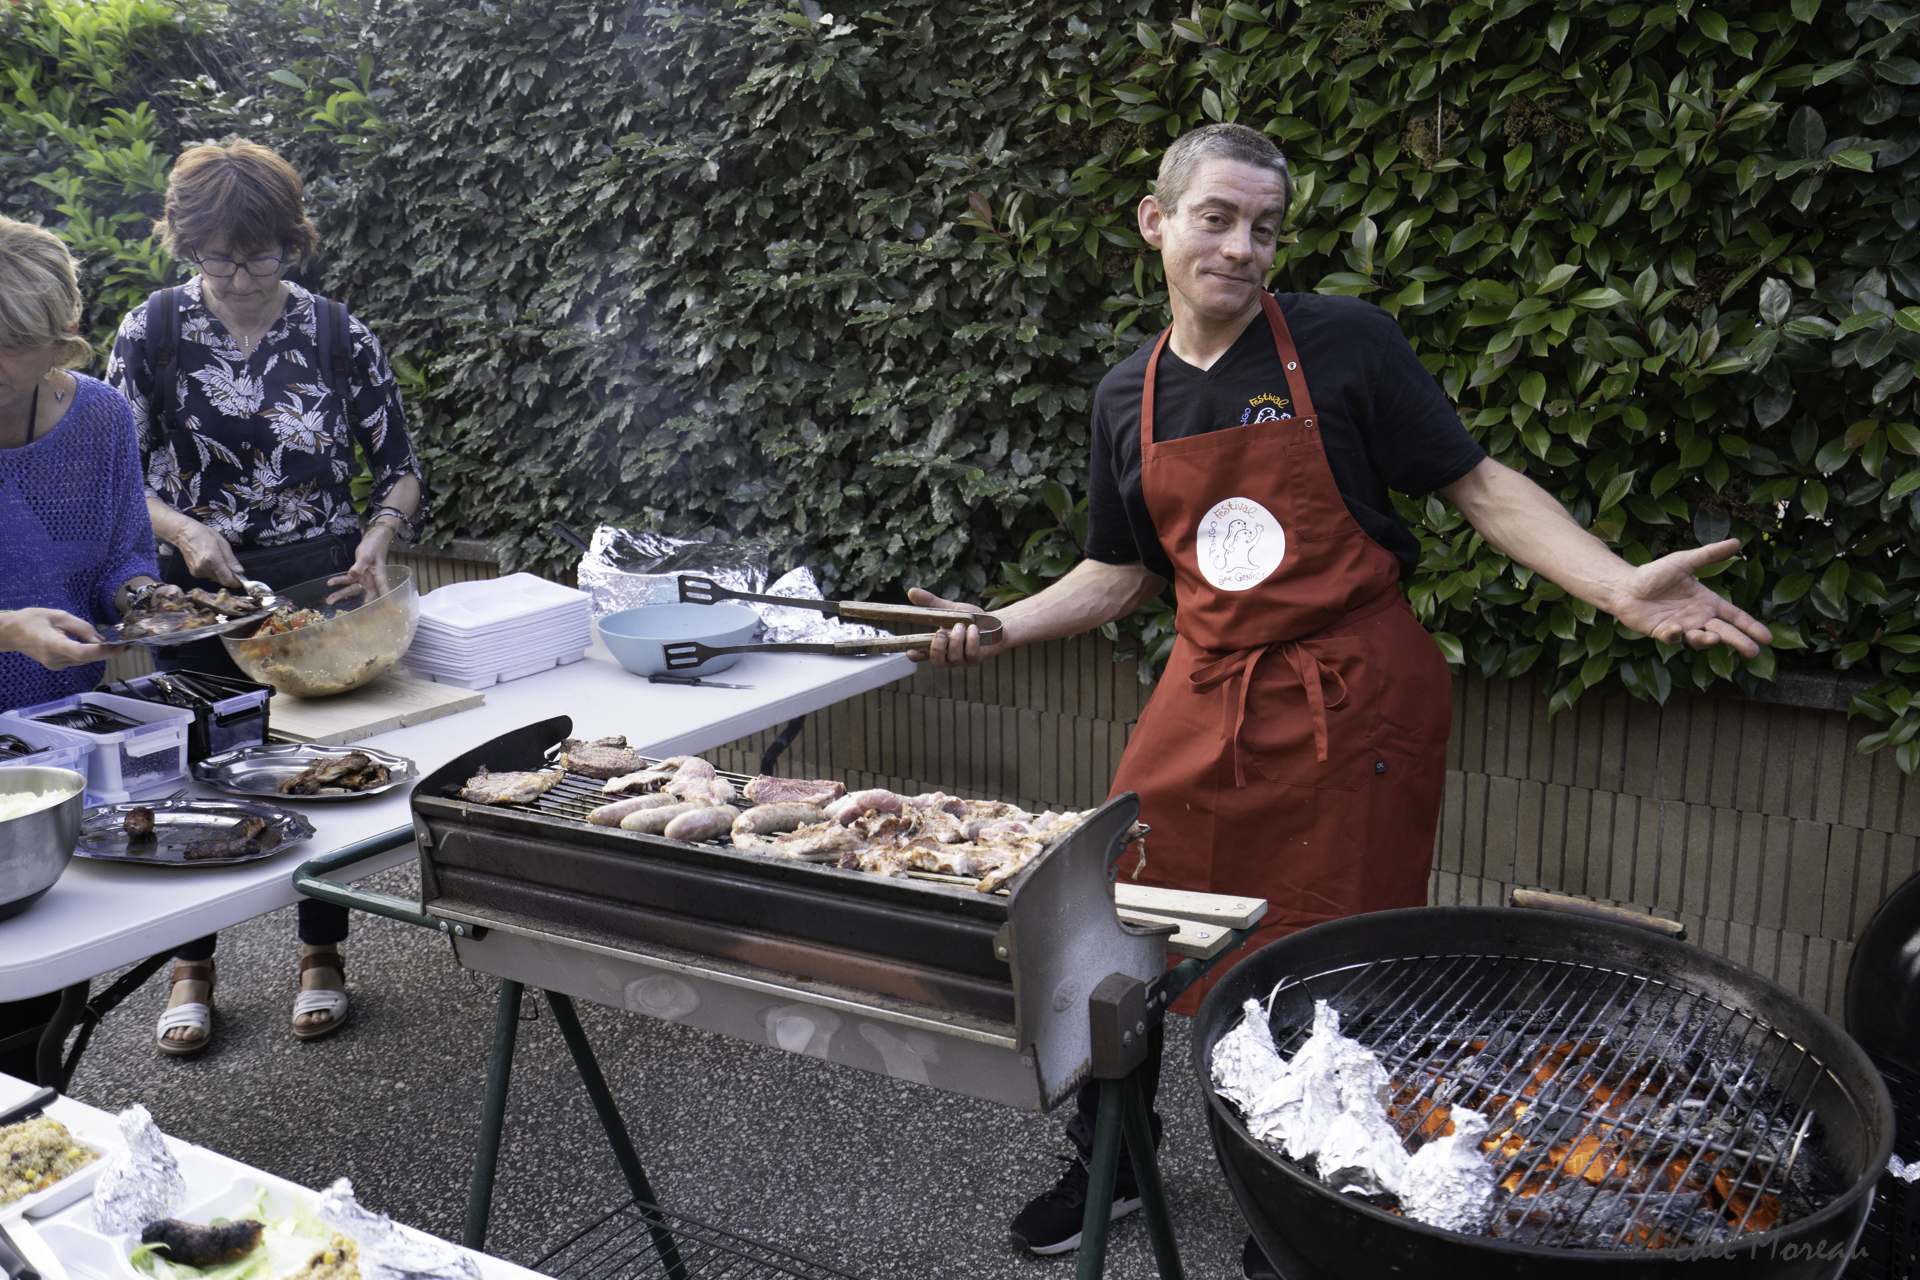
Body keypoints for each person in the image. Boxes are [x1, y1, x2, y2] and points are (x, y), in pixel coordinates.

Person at [907, 124, 1771, 1277]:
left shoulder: (1345, 343)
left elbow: (1474, 481)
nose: (1244, 245)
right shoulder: (1131, 394)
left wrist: (1616, 584)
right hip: (1208, 686)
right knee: (1122, 920)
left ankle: (1304, 1190)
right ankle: (1113, 1149)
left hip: (1354, 689)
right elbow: (1120, 573)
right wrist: (999, 623)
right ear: (1155, 223)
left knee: (1335, 951)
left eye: (1265, 226)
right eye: (1217, 217)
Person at [106, 139, 429, 1057]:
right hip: (198, 597)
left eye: (262, 254)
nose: (241, 277)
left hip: (321, 588)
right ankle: (190, 966)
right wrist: (183, 533)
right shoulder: (152, 332)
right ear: (185, 246)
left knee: (322, 774)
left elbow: (400, 469)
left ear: (294, 244)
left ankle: (322, 953)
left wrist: (379, 536)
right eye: (218, 255)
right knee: (190, 774)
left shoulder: (336, 332)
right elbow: (116, 476)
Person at [0, 216, 158, 710]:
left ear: (62, 340)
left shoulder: (101, 416)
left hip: (63, 718)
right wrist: (9, 630)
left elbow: (122, 558)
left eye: (12, 344)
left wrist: (152, 604)